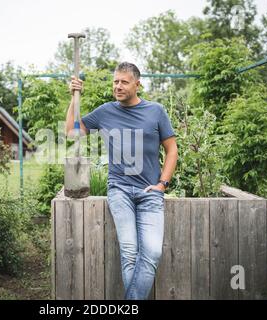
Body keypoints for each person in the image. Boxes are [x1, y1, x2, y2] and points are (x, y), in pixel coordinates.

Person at [65, 62, 178, 300]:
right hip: (120, 190)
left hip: (150, 191)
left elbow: (172, 150)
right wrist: (74, 98)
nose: (118, 86)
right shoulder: (106, 111)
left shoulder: (155, 111)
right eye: (116, 81)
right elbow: (71, 131)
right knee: (129, 252)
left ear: (138, 84)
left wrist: (162, 184)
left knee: (153, 252)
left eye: (124, 81)